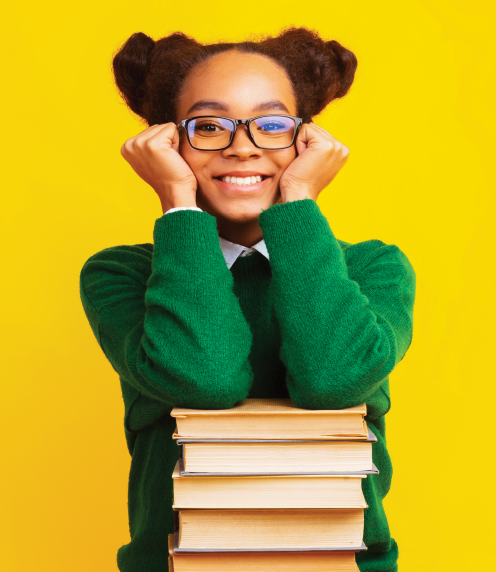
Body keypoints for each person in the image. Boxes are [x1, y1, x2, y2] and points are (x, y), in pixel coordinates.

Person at [79, 26, 416, 572]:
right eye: (208, 126)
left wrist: (299, 200)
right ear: (168, 142)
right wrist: (178, 204)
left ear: (307, 141)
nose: (242, 146)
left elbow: (334, 379)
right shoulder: (120, 273)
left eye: (273, 124)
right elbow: (202, 380)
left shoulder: (372, 268)